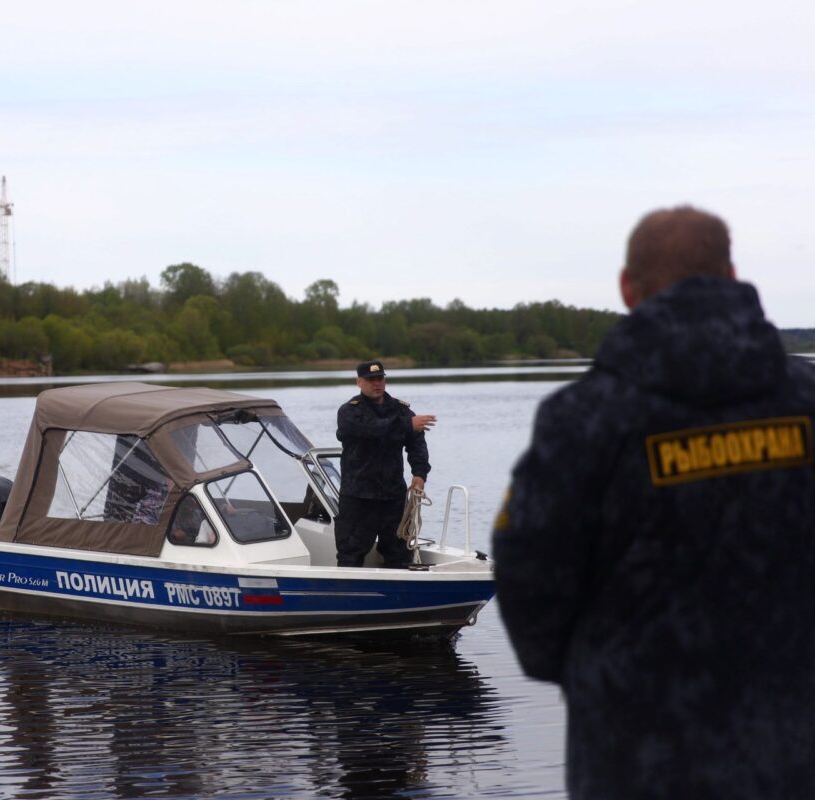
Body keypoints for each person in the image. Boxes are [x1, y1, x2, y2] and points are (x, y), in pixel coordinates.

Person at [493, 206, 815, 799]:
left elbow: (527, 578)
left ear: (626, 288)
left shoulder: (581, 420)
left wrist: (591, 668)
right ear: (733, 274)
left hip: (634, 760)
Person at [335, 359, 436, 567]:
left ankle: (401, 595)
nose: (376, 383)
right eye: (370, 379)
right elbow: (370, 429)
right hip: (358, 498)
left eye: (380, 378)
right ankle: (349, 595)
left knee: (399, 554)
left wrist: (419, 474)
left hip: (392, 497)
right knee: (350, 554)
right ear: (359, 382)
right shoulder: (349, 412)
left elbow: (417, 443)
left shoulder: (401, 410)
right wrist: (407, 425)